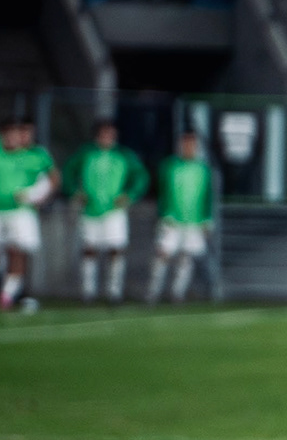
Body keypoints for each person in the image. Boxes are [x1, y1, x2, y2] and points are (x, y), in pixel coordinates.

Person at [0, 115, 54, 312]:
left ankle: (12, 292)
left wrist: (37, 197)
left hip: (21, 212)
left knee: (19, 250)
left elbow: (49, 180)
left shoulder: (37, 155)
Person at [72, 119, 141, 304]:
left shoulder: (124, 155)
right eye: (103, 133)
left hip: (114, 210)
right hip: (90, 209)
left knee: (116, 248)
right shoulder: (86, 153)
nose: (107, 137)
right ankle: (88, 292)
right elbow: (69, 173)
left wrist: (129, 195)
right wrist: (75, 192)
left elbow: (140, 177)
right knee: (89, 248)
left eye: (110, 134)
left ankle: (114, 292)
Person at [149, 129, 217, 303]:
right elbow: (162, 191)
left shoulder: (203, 169)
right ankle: (153, 292)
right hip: (172, 218)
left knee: (186, 257)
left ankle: (177, 293)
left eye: (192, 144)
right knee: (163, 253)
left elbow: (208, 196)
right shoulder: (169, 166)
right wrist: (163, 213)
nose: (189, 147)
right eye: (185, 144)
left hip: (194, 220)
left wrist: (207, 220)